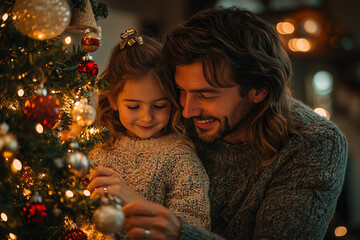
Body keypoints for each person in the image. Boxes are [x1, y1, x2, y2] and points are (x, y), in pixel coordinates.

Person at [121, 7, 348, 240]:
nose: (188, 110)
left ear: (259, 89)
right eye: (181, 90)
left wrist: (180, 234)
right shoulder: (171, 112)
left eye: (207, 95)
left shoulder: (314, 143)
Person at [84, 29, 211, 239]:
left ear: (172, 102)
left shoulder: (180, 158)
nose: (146, 118)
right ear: (114, 100)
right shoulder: (97, 146)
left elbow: (193, 226)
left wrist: (134, 200)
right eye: (133, 106)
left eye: (160, 106)